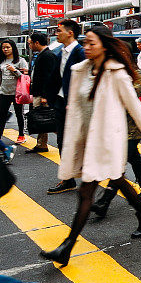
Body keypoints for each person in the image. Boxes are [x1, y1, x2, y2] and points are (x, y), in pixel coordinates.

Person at [39, 27, 141, 266]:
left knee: (86, 193)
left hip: (108, 141)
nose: (87, 48)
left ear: (104, 45)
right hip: (87, 141)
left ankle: (67, 247)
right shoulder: (82, 71)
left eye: (92, 44)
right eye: (85, 44)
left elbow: (135, 107)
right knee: (116, 179)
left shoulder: (117, 74)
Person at [90, 63, 141, 215]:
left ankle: (104, 201)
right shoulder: (114, 73)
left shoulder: (136, 73)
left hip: (133, 125)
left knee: (121, 160)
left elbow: (133, 93)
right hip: (118, 125)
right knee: (132, 157)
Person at [46, 19, 86, 195]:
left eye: (59, 30)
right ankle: (68, 179)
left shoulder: (80, 52)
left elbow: (86, 80)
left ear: (70, 33)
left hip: (76, 104)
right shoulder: (60, 51)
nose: (57, 33)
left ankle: (95, 178)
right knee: (62, 141)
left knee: (84, 142)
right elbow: (57, 77)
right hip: (62, 102)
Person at [26, 32, 58, 154]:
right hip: (39, 92)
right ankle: (41, 144)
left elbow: (49, 77)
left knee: (49, 118)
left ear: (37, 43)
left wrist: (45, 96)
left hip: (43, 94)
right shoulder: (42, 54)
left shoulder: (48, 55)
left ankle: (65, 138)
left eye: (30, 43)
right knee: (41, 118)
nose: (29, 45)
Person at [0, 39, 28, 145]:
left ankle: (21, 135)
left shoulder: (20, 61)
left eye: (8, 47)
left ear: (13, 48)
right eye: (3, 47)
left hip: (17, 93)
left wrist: (14, 70)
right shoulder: (1, 61)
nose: (5, 49)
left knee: (19, 114)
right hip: (3, 92)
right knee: (1, 114)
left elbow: (25, 77)